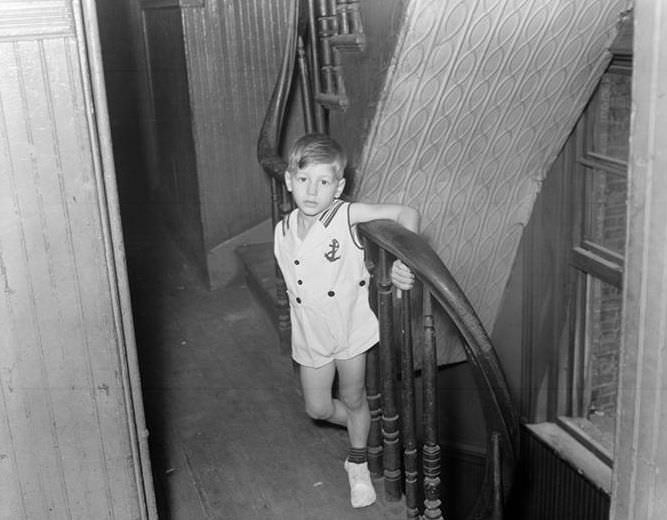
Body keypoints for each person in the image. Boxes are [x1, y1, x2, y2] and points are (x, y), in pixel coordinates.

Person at [273, 133, 419, 508]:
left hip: (350, 331)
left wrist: (406, 260)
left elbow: (406, 213)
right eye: (303, 180)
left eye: (323, 182)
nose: (311, 191)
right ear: (289, 180)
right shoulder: (283, 230)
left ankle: (357, 461)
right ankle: (366, 431)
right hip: (310, 335)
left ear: (338, 187)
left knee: (354, 397)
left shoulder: (345, 215)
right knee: (318, 409)